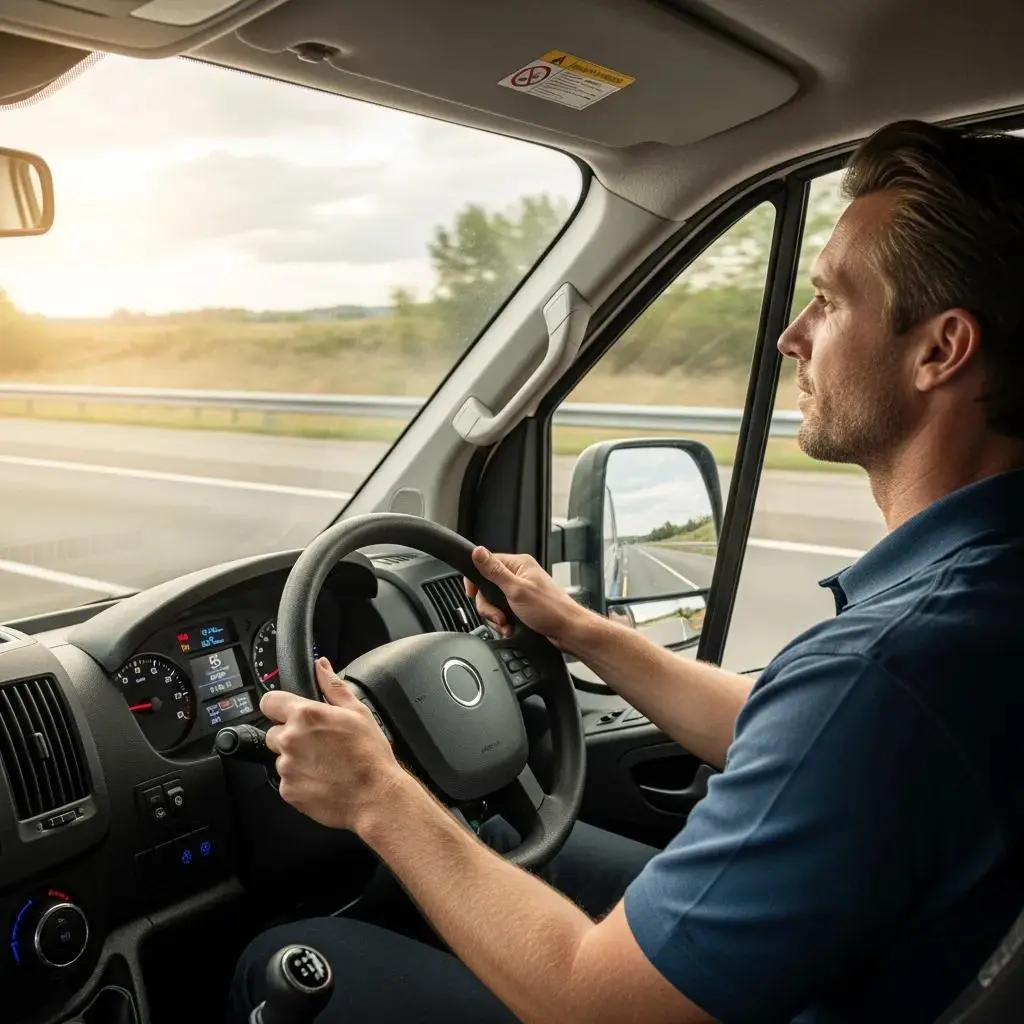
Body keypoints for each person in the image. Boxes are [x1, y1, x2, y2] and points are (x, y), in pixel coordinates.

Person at [231, 119, 1024, 1023]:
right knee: (488, 835)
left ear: (940, 350)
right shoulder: (978, 600)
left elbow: (594, 1004)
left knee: (292, 958)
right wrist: (576, 628)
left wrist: (376, 793)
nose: (791, 338)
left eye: (832, 301)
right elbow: (791, 730)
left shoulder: (889, 671)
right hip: (864, 961)